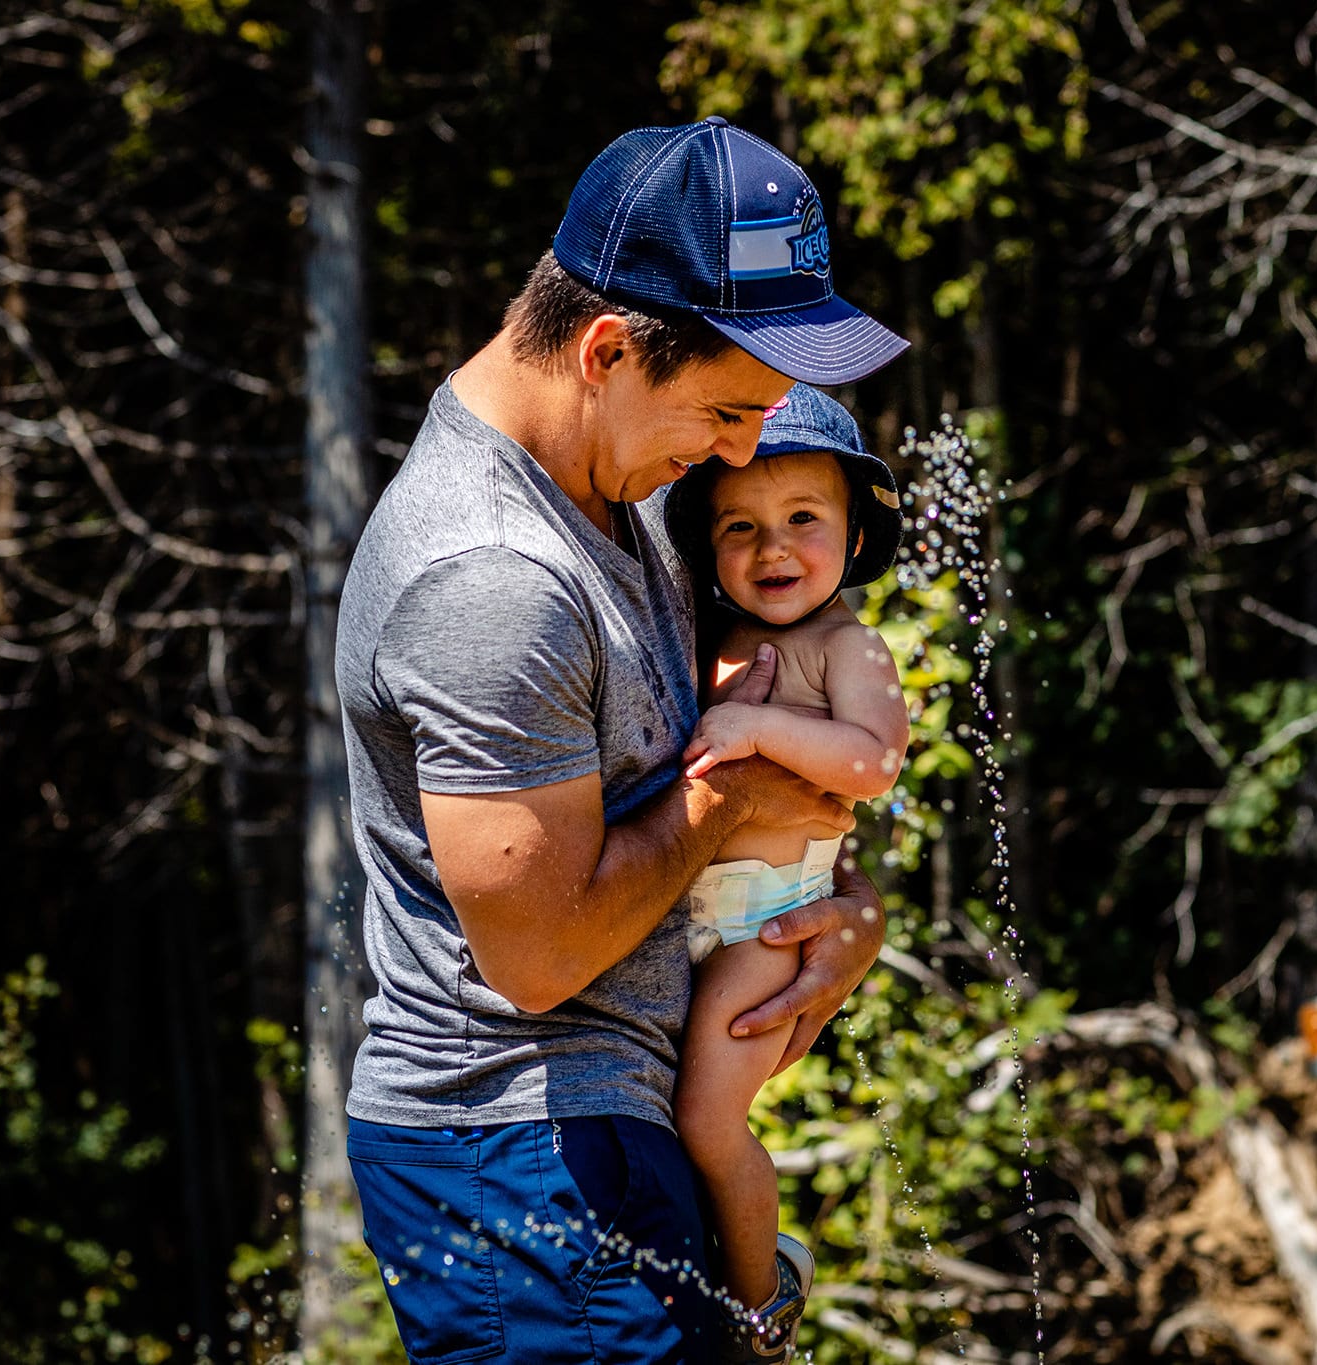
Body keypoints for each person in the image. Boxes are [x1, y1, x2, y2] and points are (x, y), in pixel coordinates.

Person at [335, 116, 907, 1365]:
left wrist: (841, 922)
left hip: (606, 1126)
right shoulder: (491, 576)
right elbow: (537, 958)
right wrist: (733, 801)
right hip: (516, 1153)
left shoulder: (626, 491)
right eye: (728, 409)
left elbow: (767, 782)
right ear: (605, 351)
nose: (745, 451)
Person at [662, 384, 910, 1349]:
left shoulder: (850, 644)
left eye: (803, 519)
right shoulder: (709, 637)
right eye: (740, 526)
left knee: (708, 1119)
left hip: (770, 919)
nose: (771, 548)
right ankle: (738, 1259)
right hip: (689, 914)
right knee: (678, 1115)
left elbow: (874, 762)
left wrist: (761, 725)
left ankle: (762, 1301)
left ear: (853, 540)